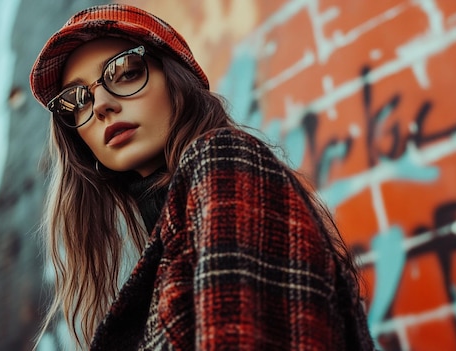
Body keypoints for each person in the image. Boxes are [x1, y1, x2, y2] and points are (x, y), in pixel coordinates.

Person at [29, 4, 374, 350]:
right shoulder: (167, 234)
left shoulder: (221, 160)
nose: (101, 104)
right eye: (78, 100)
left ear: (176, 80)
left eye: (126, 72)